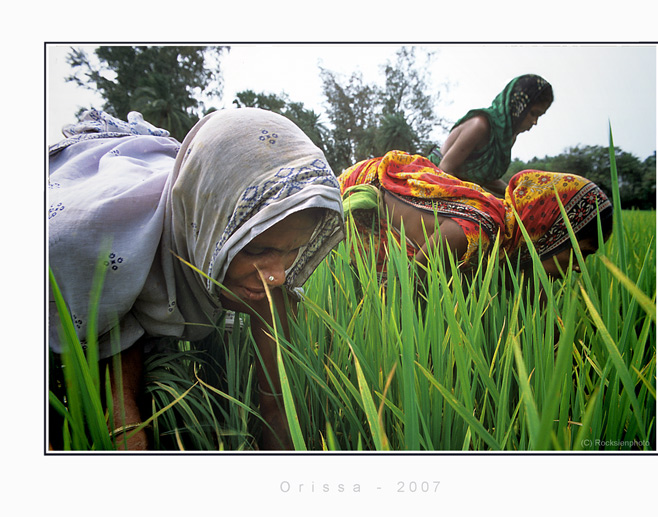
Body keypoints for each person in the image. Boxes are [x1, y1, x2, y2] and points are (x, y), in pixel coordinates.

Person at [48, 108, 345, 450]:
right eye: (257, 249)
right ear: (206, 225)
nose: (276, 276)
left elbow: (277, 406)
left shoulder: (271, 278)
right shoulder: (81, 242)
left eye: (293, 250)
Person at [339, 150, 612, 281]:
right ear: (551, 232)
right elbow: (405, 297)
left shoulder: (510, 244)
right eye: (581, 252)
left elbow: (533, 307)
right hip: (360, 188)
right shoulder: (477, 231)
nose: (579, 267)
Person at [428, 74, 553, 196]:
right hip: (432, 180)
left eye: (539, 116)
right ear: (518, 106)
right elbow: (445, 169)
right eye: (533, 113)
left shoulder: (506, 138)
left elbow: (484, 177)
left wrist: (516, 194)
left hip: (458, 188)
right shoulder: (480, 125)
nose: (534, 122)